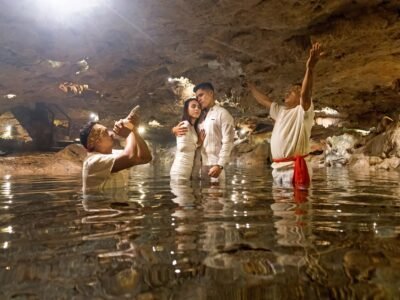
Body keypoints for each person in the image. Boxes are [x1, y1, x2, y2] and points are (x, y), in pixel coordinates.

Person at [247, 42, 323, 187]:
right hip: (277, 169)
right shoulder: (281, 111)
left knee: (296, 209)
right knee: (280, 210)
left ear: (300, 95)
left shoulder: (303, 111)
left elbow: (306, 94)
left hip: (294, 169)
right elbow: (265, 100)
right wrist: (251, 87)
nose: (288, 92)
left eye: (294, 90)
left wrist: (310, 68)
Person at [173, 82, 235, 183]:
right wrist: (174, 130)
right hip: (197, 168)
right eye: (197, 97)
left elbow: (228, 142)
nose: (199, 99)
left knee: (215, 198)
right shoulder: (199, 117)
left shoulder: (223, 114)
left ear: (210, 93)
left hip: (214, 166)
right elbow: (188, 127)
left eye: (201, 95)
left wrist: (220, 165)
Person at [79, 113, 152, 192]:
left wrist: (133, 130)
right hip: (100, 204)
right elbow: (131, 158)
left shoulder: (114, 154)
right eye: (105, 133)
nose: (111, 134)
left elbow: (145, 158)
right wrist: (128, 133)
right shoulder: (92, 161)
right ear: (92, 142)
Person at [170, 97, 205, 181]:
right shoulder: (185, 124)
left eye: (199, 107)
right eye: (193, 106)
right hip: (180, 169)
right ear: (187, 110)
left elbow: (190, 145)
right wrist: (198, 143)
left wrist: (199, 143)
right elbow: (183, 146)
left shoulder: (192, 127)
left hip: (186, 169)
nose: (197, 109)